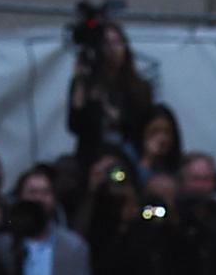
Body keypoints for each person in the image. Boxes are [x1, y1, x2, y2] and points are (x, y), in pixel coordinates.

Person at [66, 16, 154, 182]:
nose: (113, 49)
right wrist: (80, 83)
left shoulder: (140, 87)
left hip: (128, 156)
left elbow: (140, 126)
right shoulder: (86, 84)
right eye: (106, 43)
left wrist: (108, 108)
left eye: (117, 42)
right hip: (92, 157)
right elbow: (74, 125)